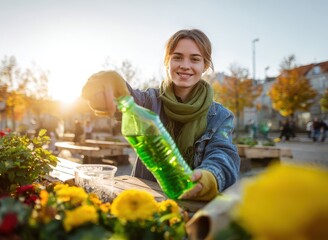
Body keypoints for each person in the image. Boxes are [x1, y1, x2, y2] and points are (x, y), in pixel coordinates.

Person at [81, 29, 240, 201]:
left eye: (195, 59)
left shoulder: (221, 116)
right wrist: (102, 83)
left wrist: (209, 176)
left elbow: (224, 154)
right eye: (177, 57)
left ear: (205, 66)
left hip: (193, 207)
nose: (185, 65)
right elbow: (124, 100)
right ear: (167, 61)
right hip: (146, 204)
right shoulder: (148, 102)